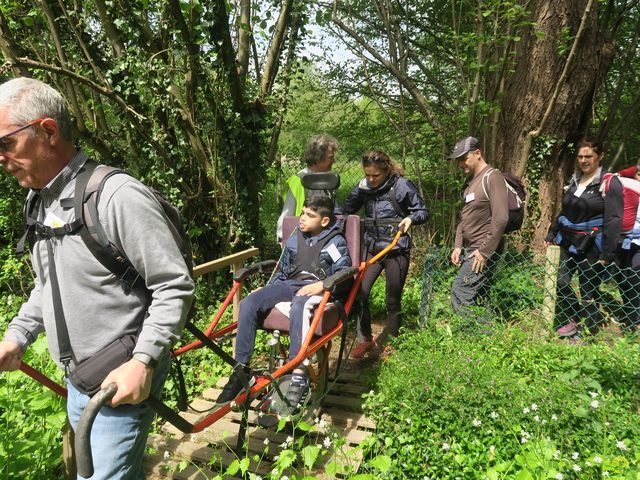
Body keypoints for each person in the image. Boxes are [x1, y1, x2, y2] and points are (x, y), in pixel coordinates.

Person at [0, 77, 194, 479]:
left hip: (118, 380)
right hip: (78, 380)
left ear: (47, 131)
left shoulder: (116, 196)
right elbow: (47, 283)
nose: (0, 157)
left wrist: (143, 361)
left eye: (5, 144)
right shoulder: (40, 202)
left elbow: (173, 284)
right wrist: (17, 336)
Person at [216, 195, 351, 407]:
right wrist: (268, 290)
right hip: (289, 285)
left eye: (309, 215)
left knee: (300, 303)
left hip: (319, 290)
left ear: (324, 221)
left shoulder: (335, 242)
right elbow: (282, 270)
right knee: (250, 303)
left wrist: (323, 285)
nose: (302, 219)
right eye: (302, 213)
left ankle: (297, 374)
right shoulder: (294, 239)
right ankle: (241, 371)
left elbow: (344, 275)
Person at [340, 150, 429, 358]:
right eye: (367, 174)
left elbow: (423, 211)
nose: (371, 179)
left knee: (392, 299)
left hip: (396, 249)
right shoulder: (364, 187)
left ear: (386, 170)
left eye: (375, 176)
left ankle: (393, 343)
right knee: (359, 294)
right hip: (372, 249)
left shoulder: (402, 185)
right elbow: (345, 210)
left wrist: (411, 219)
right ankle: (366, 340)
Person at [545, 139, 622, 338]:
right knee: (560, 282)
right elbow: (565, 209)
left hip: (592, 245)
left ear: (600, 156)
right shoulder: (575, 178)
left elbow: (614, 219)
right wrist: (552, 232)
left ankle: (584, 332)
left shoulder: (609, 182)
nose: (583, 160)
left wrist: (608, 252)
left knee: (588, 289)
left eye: (588, 156)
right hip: (566, 240)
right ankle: (576, 316)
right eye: (580, 156)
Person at [448, 136, 509, 325]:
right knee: (479, 295)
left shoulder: (493, 177)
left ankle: (475, 337)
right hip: (470, 248)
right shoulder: (470, 182)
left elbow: (501, 218)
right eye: (458, 160)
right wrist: (458, 246)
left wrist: (484, 252)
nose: (460, 163)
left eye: (464, 158)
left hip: (483, 249)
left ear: (477, 153)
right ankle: (490, 336)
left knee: (460, 292)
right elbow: (463, 219)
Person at [277, 134, 339, 241]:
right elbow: (286, 217)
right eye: (330, 157)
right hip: (300, 239)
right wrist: (283, 240)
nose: (334, 161)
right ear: (318, 157)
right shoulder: (298, 181)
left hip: (324, 238)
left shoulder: (328, 180)